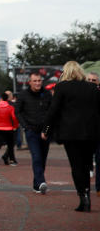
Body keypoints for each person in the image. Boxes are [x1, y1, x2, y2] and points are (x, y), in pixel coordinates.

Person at [42, 61, 100, 212]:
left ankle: (83, 197)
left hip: (70, 133)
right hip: (90, 133)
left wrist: (46, 129)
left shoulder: (62, 87)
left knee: (76, 166)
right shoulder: (92, 87)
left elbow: (53, 111)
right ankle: (87, 193)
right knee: (87, 165)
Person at [15, 73, 52, 194]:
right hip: (31, 131)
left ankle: (37, 185)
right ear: (29, 82)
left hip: (45, 132)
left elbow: (51, 112)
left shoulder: (47, 94)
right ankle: (41, 182)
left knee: (43, 158)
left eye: (39, 81)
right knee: (36, 156)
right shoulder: (23, 95)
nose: (37, 83)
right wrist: (26, 127)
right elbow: (18, 112)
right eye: (35, 81)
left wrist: (46, 129)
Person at [0, 90, 19, 167]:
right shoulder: (10, 107)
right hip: (8, 128)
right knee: (10, 144)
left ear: (1, 98)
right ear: (7, 98)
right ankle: (11, 160)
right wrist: (15, 126)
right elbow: (14, 118)